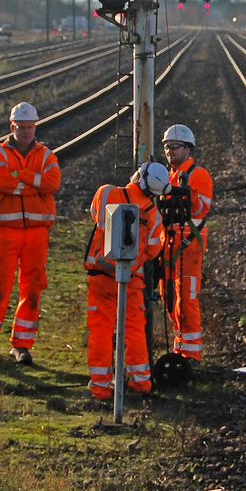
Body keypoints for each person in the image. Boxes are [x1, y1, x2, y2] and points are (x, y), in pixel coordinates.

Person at [0, 102, 60, 366]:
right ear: (12, 127)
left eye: (30, 127)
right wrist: (34, 183)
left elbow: (52, 184)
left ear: (35, 126)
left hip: (36, 233)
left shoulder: (46, 155)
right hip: (6, 232)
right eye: (21, 128)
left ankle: (21, 346)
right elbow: (1, 183)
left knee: (31, 290)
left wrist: (19, 176)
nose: (26, 133)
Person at [84, 162, 169, 399]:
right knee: (134, 329)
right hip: (132, 278)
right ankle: (141, 382)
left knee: (101, 328)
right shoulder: (153, 215)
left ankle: (101, 388)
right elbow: (153, 251)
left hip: (101, 274)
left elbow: (95, 216)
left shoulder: (107, 192)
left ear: (139, 177)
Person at [159, 124, 213, 369]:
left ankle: (192, 357)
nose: (170, 151)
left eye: (175, 147)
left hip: (188, 244)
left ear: (188, 148)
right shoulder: (168, 176)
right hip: (168, 243)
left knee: (186, 298)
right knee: (168, 297)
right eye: (167, 147)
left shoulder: (197, 174)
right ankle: (179, 349)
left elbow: (200, 208)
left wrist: (182, 192)